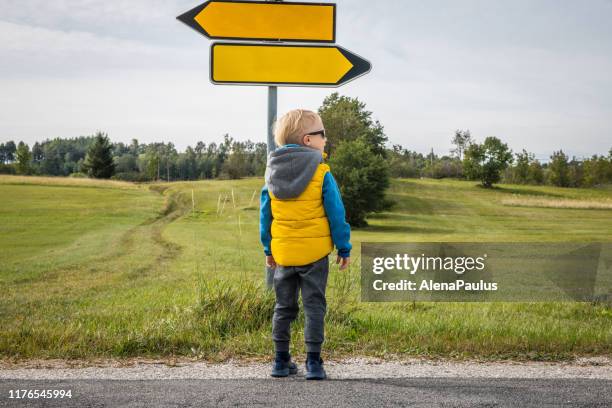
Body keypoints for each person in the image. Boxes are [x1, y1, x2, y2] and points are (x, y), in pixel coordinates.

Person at [260, 109, 352, 380]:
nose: (326, 139)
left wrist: (269, 249)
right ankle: (313, 362)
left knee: (283, 307)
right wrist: (343, 247)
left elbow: (266, 216)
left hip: (284, 254)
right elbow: (336, 213)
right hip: (314, 255)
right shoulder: (322, 172)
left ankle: (280, 361)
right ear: (308, 140)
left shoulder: (271, 175)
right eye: (322, 134)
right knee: (314, 306)